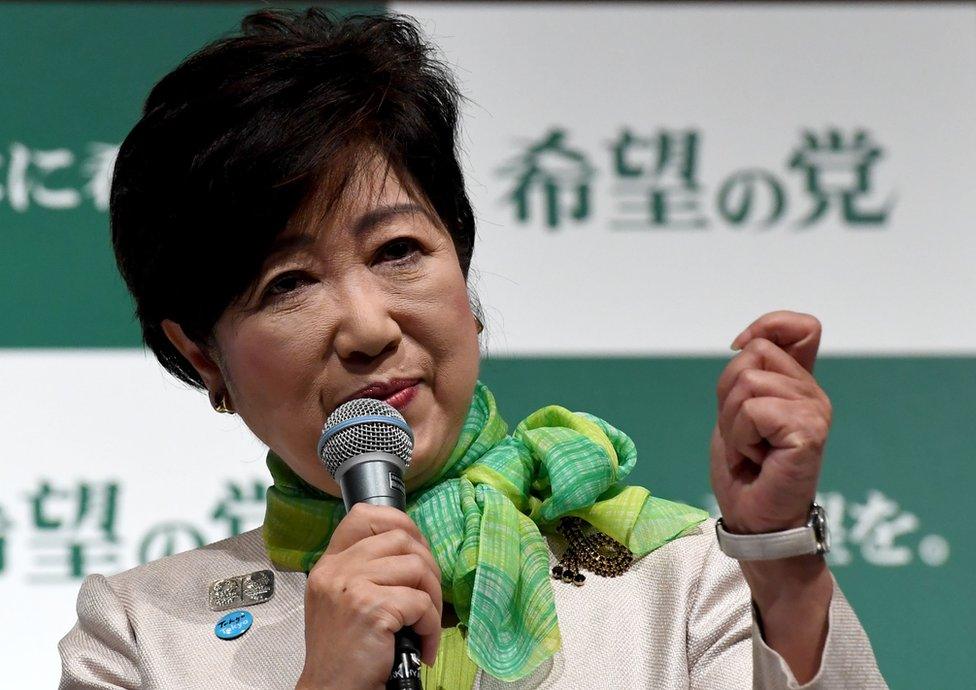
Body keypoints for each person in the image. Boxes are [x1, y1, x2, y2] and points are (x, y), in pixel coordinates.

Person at [59, 8, 886, 689]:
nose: (370, 326)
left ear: (464, 273)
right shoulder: (141, 635)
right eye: (289, 284)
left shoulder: (674, 578)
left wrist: (781, 561)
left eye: (398, 252)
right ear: (203, 357)